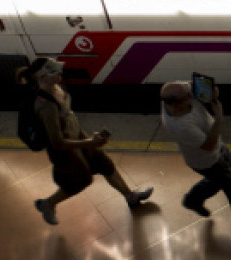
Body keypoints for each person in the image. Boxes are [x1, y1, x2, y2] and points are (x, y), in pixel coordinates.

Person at [17, 57, 152, 225]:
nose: (60, 72)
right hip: (66, 152)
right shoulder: (45, 106)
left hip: (80, 138)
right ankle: (48, 204)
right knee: (80, 182)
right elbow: (57, 142)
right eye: (53, 72)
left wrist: (88, 138)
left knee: (105, 165)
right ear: (42, 78)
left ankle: (131, 197)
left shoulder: (57, 87)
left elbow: (68, 117)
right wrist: (90, 143)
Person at [159, 80, 231, 230]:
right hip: (207, 161)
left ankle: (193, 199)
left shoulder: (178, 95)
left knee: (224, 177)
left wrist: (212, 93)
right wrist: (218, 118)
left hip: (219, 149)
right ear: (175, 103)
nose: (193, 95)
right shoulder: (181, 126)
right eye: (188, 96)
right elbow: (208, 146)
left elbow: (207, 89)